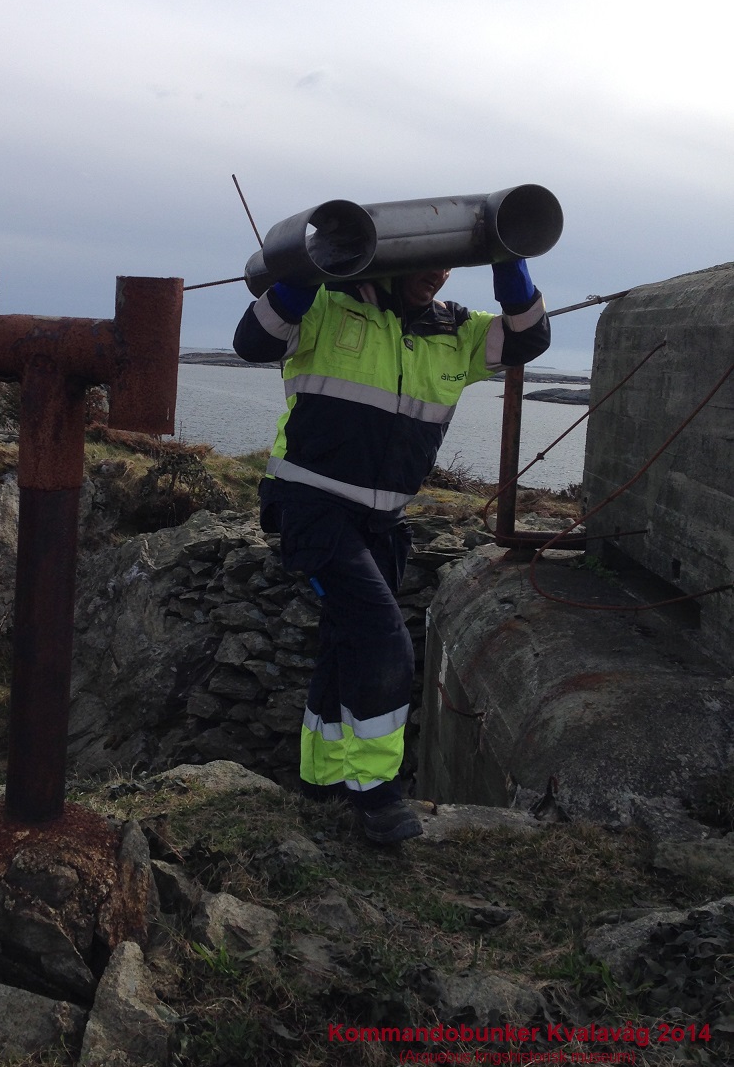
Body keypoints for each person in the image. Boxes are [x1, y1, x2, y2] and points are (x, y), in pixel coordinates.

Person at [233, 258, 551, 843]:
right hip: (311, 505)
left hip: (384, 520)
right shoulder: (327, 304)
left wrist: (509, 257)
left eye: (449, 264)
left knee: (344, 639)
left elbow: (529, 337)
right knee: (382, 636)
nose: (438, 275)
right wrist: (301, 274)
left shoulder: (458, 330)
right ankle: (377, 796)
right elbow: (253, 341)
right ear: (396, 257)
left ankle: (321, 777)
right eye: (427, 261)